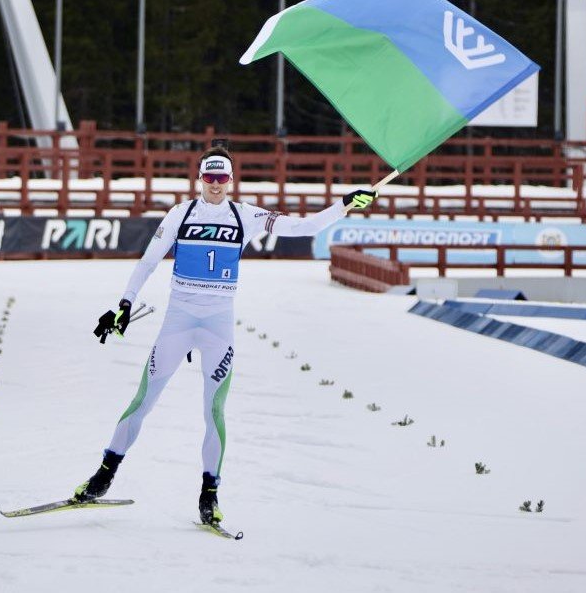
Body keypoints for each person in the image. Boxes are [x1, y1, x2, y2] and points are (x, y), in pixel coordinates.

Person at [74, 142, 378, 528]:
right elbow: (149, 260)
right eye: (209, 176)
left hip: (218, 327)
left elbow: (303, 227)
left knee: (214, 411)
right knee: (142, 401)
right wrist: (125, 303)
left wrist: (344, 204)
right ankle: (103, 475)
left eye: (221, 177)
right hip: (178, 323)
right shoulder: (181, 213)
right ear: (199, 179)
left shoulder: (246, 215)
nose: (215, 184)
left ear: (231, 180)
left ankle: (209, 495)